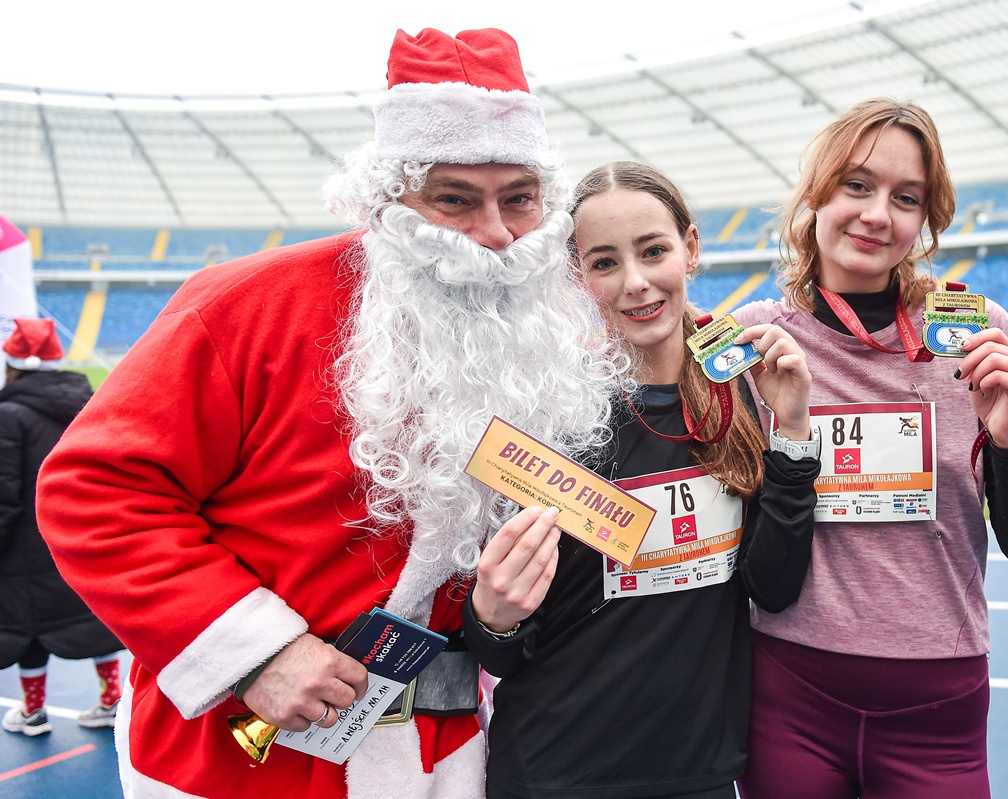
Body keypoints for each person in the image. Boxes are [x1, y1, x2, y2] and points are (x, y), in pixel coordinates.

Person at [36, 27, 627, 799]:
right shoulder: (244, 307)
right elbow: (93, 488)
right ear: (388, 198)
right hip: (244, 762)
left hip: (444, 753)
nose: (493, 235)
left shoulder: (550, 333)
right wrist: (256, 654)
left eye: (519, 199)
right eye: (455, 199)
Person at [733, 98, 1008, 798]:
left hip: (937, 709)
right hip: (788, 694)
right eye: (856, 185)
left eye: (905, 197)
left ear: (926, 219)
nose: (877, 214)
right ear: (816, 194)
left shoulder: (977, 333)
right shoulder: (757, 343)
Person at [465, 160, 822, 798]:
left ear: (689, 248)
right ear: (577, 275)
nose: (635, 283)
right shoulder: (545, 418)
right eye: (604, 262)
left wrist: (792, 433)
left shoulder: (740, 393)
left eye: (653, 250)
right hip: (554, 773)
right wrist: (492, 618)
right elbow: (501, 652)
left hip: (699, 774)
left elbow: (772, 587)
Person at [0, 318, 125, 736]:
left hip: (25, 545)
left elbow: (4, 493)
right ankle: (111, 701)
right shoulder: (88, 401)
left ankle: (33, 712)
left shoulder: (8, 413)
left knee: (30, 630)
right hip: (79, 537)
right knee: (92, 620)